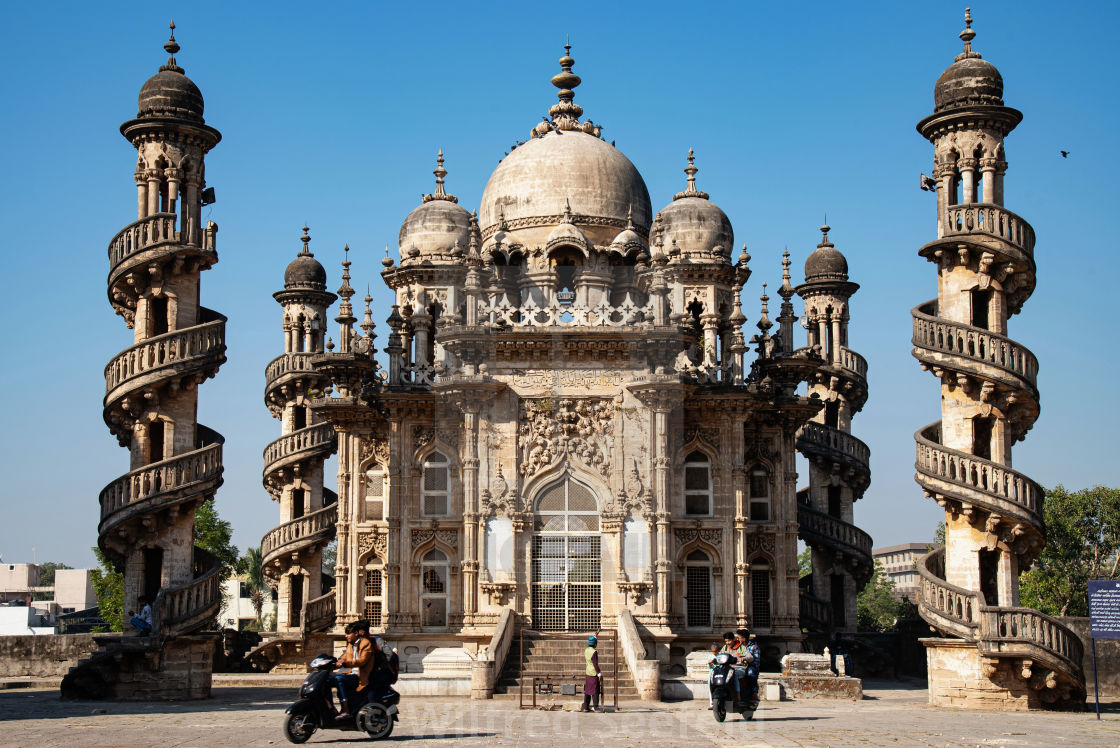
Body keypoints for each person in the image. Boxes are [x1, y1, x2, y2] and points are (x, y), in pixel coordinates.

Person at [334, 622, 373, 718]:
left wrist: (346, 663)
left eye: (348, 633)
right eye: (346, 633)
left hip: (360, 676)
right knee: (330, 680)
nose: (345, 635)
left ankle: (346, 710)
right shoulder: (350, 645)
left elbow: (362, 661)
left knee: (339, 679)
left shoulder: (365, 644)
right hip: (352, 673)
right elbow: (345, 656)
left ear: (356, 633)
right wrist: (336, 663)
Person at [736, 628, 761, 704]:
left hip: (750, 666)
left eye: (739, 638)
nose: (738, 639)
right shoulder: (737, 647)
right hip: (739, 666)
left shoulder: (754, 647)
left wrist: (745, 660)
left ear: (744, 639)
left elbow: (756, 662)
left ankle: (754, 693)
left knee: (751, 673)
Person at [719, 631, 746, 701]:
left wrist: (743, 658)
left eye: (729, 641)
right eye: (726, 641)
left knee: (734, 674)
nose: (727, 643)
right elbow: (719, 656)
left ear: (734, 639)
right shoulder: (725, 648)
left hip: (739, 669)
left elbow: (750, 657)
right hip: (727, 669)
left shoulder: (741, 647)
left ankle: (738, 695)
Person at [580, 635, 602, 712]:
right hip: (593, 673)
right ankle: (596, 707)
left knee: (588, 690)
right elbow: (595, 663)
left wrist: (595, 637)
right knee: (595, 690)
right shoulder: (594, 652)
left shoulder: (586, 650)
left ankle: (586, 707)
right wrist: (599, 673)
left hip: (588, 672)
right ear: (595, 644)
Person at [706, 642, 721, 710]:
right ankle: (711, 703)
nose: (714, 653)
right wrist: (710, 664)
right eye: (713, 651)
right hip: (712, 673)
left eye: (715, 651)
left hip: (719, 673)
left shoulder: (720, 656)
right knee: (710, 687)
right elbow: (708, 665)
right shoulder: (710, 656)